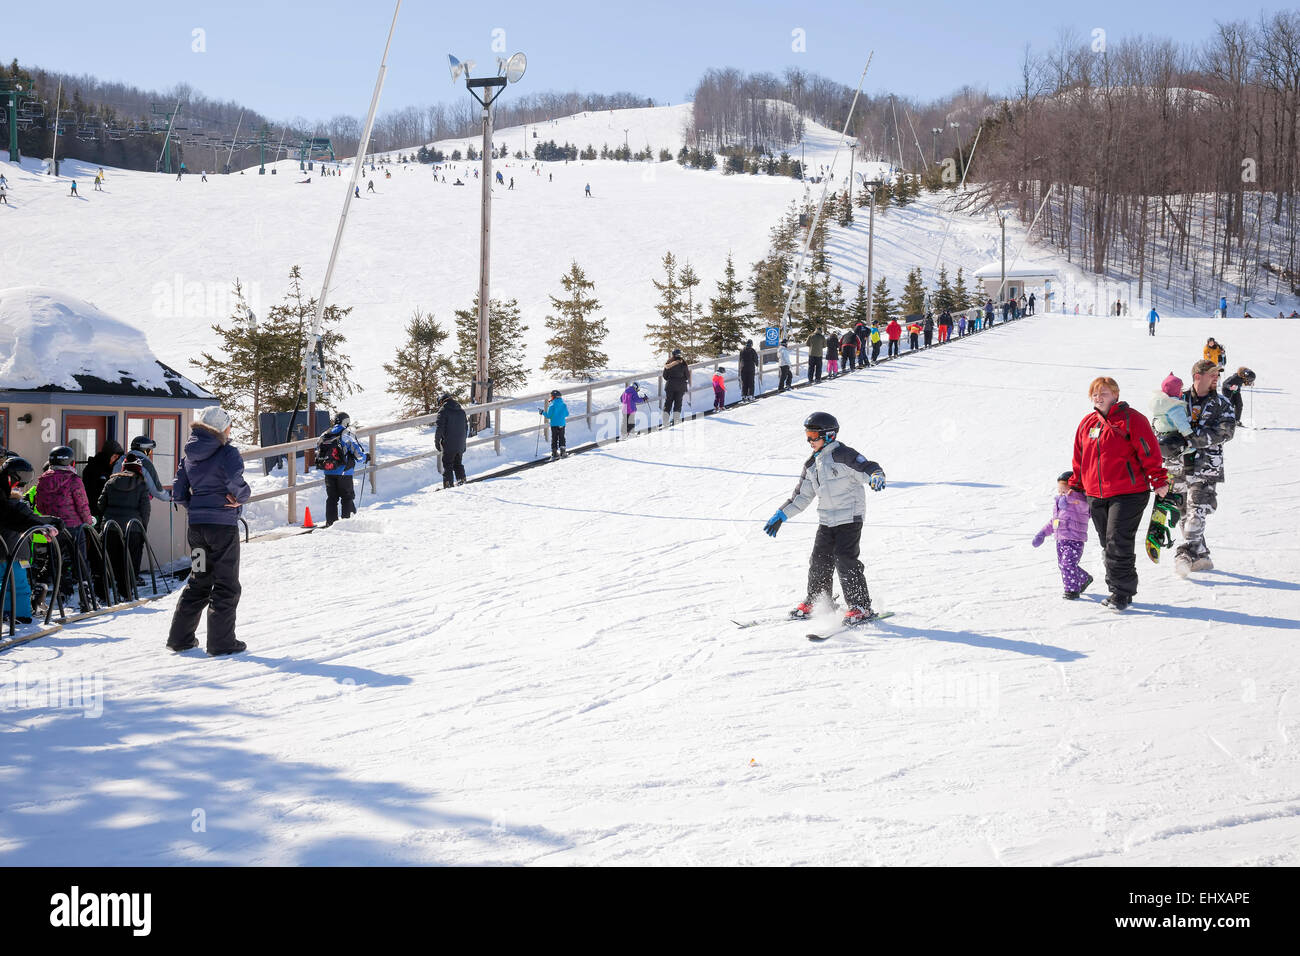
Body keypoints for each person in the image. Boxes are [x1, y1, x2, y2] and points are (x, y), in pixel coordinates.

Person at [764, 411, 887, 627]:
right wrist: (782, 514)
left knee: (844, 558)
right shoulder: (811, 465)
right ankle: (819, 601)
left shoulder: (844, 456)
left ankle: (860, 606)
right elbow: (801, 495)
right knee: (819, 560)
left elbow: (866, 467)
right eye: (807, 434)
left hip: (849, 517)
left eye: (813, 435)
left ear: (829, 435)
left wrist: (876, 475)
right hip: (826, 520)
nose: (809, 440)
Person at [1069, 376, 1169, 610]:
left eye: (1103, 392)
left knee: (1117, 541)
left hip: (1129, 492)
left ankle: (1121, 593)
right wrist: (1075, 487)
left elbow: (1149, 450)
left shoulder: (1132, 419)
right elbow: (1079, 458)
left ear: (1116, 394)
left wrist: (1159, 478)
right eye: (1094, 393)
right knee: (1107, 542)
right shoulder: (1087, 424)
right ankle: (1119, 587)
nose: (1098, 397)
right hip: (1096, 494)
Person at [167, 406, 250, 655]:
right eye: (229, 425)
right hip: (222, 528)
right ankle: (221, 643)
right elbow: (236, 482)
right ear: (223, 428)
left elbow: (178, 492)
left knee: (199, 580)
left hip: (197, 529)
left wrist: (197, 506)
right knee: (226, 584)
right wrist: (242, 497)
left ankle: (180, 639)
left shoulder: (189, 456)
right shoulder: (227, 452)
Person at [1168, 360, 1236, 577]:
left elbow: (1226, 432)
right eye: (1212, 374)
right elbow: (1159, 422)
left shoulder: (1223, 403)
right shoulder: (1178, 399)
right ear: (1198, 376)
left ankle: (1184, 554)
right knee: (1184, 514)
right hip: (1177, 467)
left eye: (1218, 374)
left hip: (1205, 467)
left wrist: (1191, 441)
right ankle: (1202, 556)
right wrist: (1166, 441)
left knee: (1196, 511)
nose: (1216, 378)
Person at [1, 457, 63, 625]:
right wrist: (49, 523)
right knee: (19, 585)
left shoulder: (11, 502)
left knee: (5, 583)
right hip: (15, 551)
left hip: (7, 550)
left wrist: (46, 523)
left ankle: (8, 612)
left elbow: (28, 518)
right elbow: (27, 519)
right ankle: (20, 615)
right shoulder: (14, 504)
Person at [35, 445, 95, 608]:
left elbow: (39, 506)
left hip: (53, 527)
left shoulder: (43, 480)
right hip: (74, 526)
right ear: (70, 462)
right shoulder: (74, 480)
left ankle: (41, 598)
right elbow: (82, 505)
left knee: (53, 561)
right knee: (80, 562)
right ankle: (87, 600)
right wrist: (89, 522)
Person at [1032, 471, 1095, 599]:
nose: (1061, 493)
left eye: (1064, 490)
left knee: (1067, 564)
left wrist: (1073, 497)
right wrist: (1042, 533)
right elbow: (1054, 522)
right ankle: (1084, 579)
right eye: (1059, 490)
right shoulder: (1060, 504)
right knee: (1063, 565)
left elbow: (1085, 507)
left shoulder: (1081, 501)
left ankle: (1072, 590)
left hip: (1074, 539)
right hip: (1060, 539)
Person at [98, 452, 150, 593]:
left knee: (110, 560)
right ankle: (126, 591)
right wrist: (142, 528)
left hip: (111, 527)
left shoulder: (111, 481)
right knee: (130, 562)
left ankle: (107, 594)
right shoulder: (141, 483)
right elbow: (145, 509)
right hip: (133, 528)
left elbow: (101, 504)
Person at [317, 412, 368, 522]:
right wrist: (366, 457)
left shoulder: (325, 434)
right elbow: (357, 454)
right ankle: (347, 522)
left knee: (332, 498)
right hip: (344, 472)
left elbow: (318, 446)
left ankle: (331, 522)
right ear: (346, 422)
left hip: (328, 471)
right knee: (347, 497)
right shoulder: (347, 434)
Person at [1150, 373, 1193, 456]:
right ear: (1176, 391)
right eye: (1181, 389)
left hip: (1162, 432)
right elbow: (1181, 422)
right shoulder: (1174, 405)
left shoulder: (1161, 403)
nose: (1182, 392)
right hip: (1174, 432)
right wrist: (1189, 436)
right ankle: (1184, 451)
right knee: (1187, 445)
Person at [81, 439, 124, 520]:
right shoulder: (92, 468)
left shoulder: (114, 469)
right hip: (94, 511)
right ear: (107, 455)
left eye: (117, 458)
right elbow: (89, 491)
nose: (115, 460)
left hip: (109, 512)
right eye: (114, 456)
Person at [434, 393, 468, 486]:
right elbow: (466, 428)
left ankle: (448, 485)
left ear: (441, 401)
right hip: (460, 443)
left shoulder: (443, 411)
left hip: (449, 443)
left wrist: (437, 442)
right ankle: (462, 481)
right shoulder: (461, 410)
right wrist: (463, 443)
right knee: (458, 464)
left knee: (448, 464)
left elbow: (439, 429)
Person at [662, 349, 691, 423]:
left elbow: (665, 375)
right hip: (681, 386)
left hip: (670, 385)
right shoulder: (683, 363)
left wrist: (671, 379)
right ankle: (676, 419)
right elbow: (687, 376)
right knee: (678, 403)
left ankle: (665, 420)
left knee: (668, 403)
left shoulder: (668, 363)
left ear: (673, 354)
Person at [539, 389, 569, 459]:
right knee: (562, 437)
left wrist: (542, 412)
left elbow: (549, 416)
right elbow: (567, 414)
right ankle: (563, 451)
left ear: (553, 397)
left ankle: (554, 452)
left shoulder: (552, 406)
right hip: (562, 424)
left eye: (551, 397)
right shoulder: (564, 405)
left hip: (554, 424)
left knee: (554, 438)